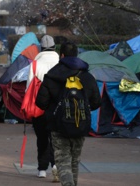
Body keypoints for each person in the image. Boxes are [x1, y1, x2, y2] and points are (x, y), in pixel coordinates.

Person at [35, 41, 101, 186]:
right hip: (80, 124)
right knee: (74, 160)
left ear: (61, 55)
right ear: (77, 55)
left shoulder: (52, 75)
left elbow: (40, 102)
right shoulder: (87, 76)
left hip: (57, 125)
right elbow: (96, 102)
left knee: (62, 159)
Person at [25, 35, 59, 182]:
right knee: (56, 138)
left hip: (39, 106)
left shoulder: (34, 64)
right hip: (57, 106)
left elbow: (28, 88)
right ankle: (56, 165)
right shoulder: (60, 62)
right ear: (54, 47)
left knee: (42, 138)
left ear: (41, 48)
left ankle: (42, 169)